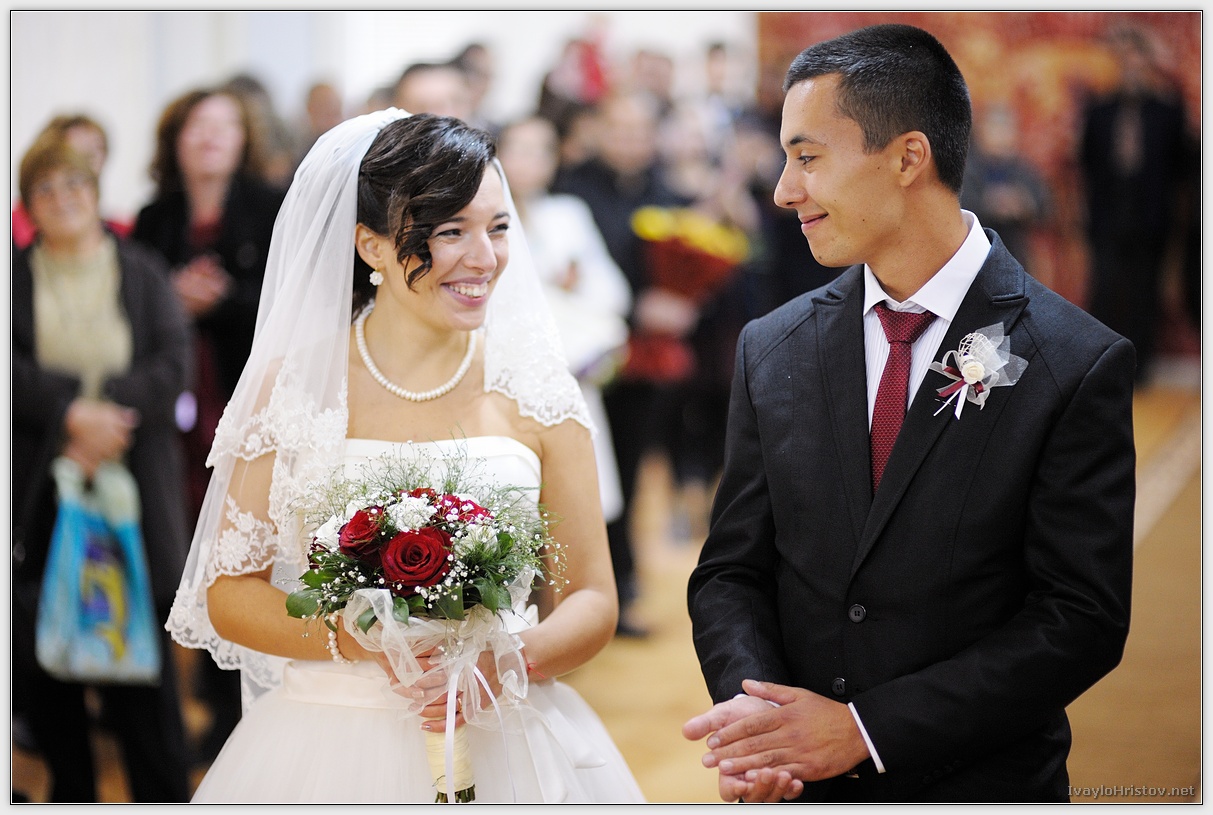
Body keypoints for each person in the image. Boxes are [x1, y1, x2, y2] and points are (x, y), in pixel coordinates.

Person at [682, 24, 1135, 803]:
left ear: (906, 158)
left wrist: (866, 730)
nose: (784, 190)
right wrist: (761, 719)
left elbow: (1077, 617)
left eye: (807, 157)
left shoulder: (1072, 358)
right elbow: (731, 570)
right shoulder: (772, 345)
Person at [165, 109, 645, 803]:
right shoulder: (292, 388)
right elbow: (230, 592)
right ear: (372, 245)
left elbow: (592, 598)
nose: (484, 258)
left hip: (501, 730)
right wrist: (351, 635)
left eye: (497, 227)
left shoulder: (539, 391)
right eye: (450, 231)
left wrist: (508, 658)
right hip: (326, 744)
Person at [12, 131, 192, 802]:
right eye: (45, 189)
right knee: (47, 655)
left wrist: (105, 417)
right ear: (29, 204)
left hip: (131, 485)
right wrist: (68, 416)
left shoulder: (141, 269)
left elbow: (173, 362)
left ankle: (161, 794)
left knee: (141, 659)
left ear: (95, 192)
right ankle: (72, 795)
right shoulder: (12, 275)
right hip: (41, 488)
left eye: (73, 185)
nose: (62, 198)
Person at [130, 85, 286, 764]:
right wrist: (171, 300)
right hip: (171, 413)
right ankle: (196, 703)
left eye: (225, 125)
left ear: (244, 137)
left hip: (246, 402)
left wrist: (217, 299)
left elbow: (290, 301)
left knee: (242, 549)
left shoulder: (270, 205)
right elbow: (134, 302)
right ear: (175, 139)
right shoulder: (153, 216)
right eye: (197, 125)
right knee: (182, 547)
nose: (211, 137)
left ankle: (239, 714)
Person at [553, 91, 691, 638]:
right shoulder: (571, 189)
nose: (631, 140)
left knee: (631, 474)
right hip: (585, 355)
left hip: (646, 359)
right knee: (586, 478)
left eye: (640, 130)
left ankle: (622, 587)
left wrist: (681, 300)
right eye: (620, 128)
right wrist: (637, 304)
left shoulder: (666, 190)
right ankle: (582, 590)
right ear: (600, 129)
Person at [497, 114, 630, 533]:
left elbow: (614, 292)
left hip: (565, 372)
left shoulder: (567, 214)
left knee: (573, 509)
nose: (530, 162)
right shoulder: (485, 217)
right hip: (504, 374)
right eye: (520, 150)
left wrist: (576, 285)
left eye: (542, 152)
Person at [1078, 24, 1187, 385]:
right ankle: (1102, 367)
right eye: (1124, 60)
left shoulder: (1167, 111)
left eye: (1137, 59)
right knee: (1105, 291)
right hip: (1108, 215)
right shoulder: (1099, 110)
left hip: (1151, 217)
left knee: (1145, 294)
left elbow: (1180, 168)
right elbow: (1087, 164)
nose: (1131, 67)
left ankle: (1141, 369)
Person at [12, 113, 130, 250]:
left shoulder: (121, 232)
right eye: (78, 151)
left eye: (97, 150)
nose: (90, 160)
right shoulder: (14, 225)